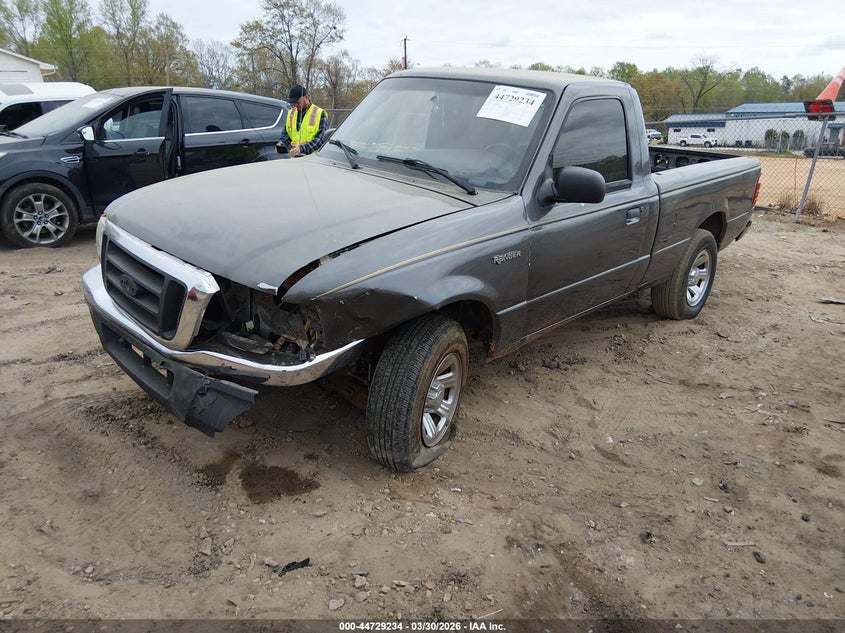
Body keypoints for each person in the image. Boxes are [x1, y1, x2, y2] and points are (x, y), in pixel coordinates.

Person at [276, 84, 327, 157]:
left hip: (312, 159)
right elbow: (287, 134)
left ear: (306, 97)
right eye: (293, 103)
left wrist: (302, 148)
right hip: (294, 159)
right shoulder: (291, 113)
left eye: (298, 102)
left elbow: (320, 140)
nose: (295, 105)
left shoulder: (319, 113)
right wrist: (281, 143)